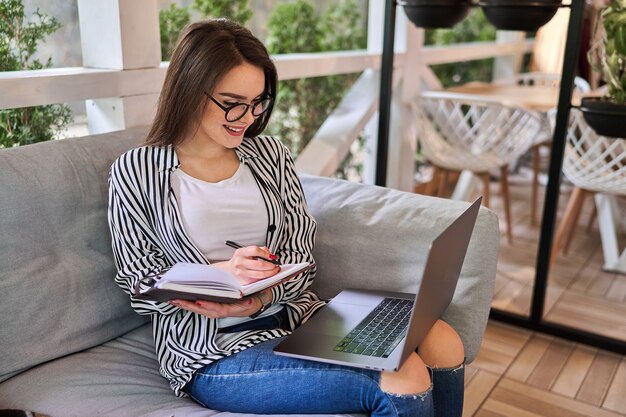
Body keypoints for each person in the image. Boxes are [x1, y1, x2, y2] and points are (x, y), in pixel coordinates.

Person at [107, 18, 465, 417]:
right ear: (191, 89)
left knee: (442, 337)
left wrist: (258, 297)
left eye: (257, 102)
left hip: (300, 319)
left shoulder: (270, 155)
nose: (246, 116)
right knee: (401, 376)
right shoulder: (137, 170)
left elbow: (300, 257)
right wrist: (224, 275)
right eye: (232, 102)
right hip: (213, 351)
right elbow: (138, 284)